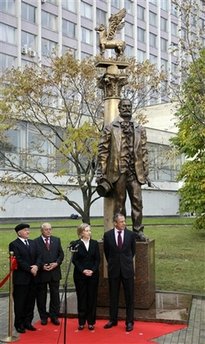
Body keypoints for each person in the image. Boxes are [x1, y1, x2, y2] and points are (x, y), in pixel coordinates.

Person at [96, 98, 150, 241]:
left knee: (137, 202)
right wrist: (101, 172)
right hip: (118, 172)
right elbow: (103, 151)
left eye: (129, 106)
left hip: (135, 172)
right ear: (119, 108)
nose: (126, 108)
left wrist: (146, 170)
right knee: (119, 203)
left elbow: (144, 151)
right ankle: (120, 232)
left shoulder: (140, 129)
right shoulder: (110, 127)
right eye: (124, 106)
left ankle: (138, 231)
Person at [103, 213, 136, 332]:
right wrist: (114, 263)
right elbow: (107, 252)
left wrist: (124, 262)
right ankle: (113, 320)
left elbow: (132, 252)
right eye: (121, 222)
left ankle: (129, 322)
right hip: (114, 270)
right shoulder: (107, 235)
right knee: (113, 296)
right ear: (115, 223)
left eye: (124, 221)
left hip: (127, 270)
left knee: (129, 297)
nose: (124, 223)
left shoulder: (130, 235)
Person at [9, 223, 41, 333]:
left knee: (30, 302)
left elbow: (39, 256)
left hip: (33, 278)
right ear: (19, 232)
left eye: (28, 230)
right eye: (25, 230)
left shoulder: (33, 243)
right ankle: (19, 324)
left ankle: (28, 322)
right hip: (21, 279)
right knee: (20, 302)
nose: (28, 232)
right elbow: (18, 260)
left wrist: (36, 266)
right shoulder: (14, 244)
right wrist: (30, 268)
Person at [34, 222, 64, 326]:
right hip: (42, 273)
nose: (49, 231)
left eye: (50, 229)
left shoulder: (56, 240)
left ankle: (54, 316)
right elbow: (35, 257)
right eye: (46, 229)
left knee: (55, 295)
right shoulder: (35, 242)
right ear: (41, 230)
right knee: (41, 296)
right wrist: (42, 266)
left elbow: (61, 254)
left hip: (54, 272)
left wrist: (56, 263)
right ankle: (43, 317)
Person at [72, 223, 100, 331]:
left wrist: (92, 270)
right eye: (87, 230)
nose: (89, 232)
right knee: (82, 297)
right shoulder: (76, 244)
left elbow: (97, 259)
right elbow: (75, 260)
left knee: (92, 298)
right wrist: (83, 270)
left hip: (93, 275)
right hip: (80, 275)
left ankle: (91, 322)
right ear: (81, 232)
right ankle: (82, 321)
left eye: (90, 230)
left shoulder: (94, 243)